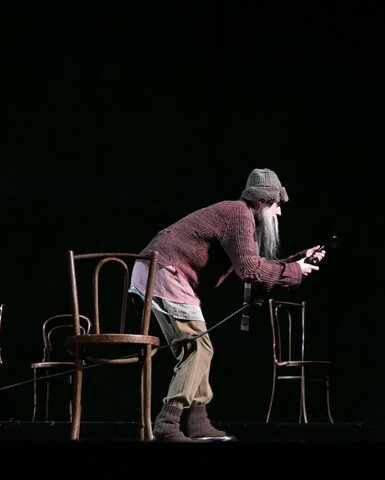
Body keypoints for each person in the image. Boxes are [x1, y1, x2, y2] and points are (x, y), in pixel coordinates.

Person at [130, 168, 325, 441]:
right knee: (198, 347)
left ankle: (197, 422)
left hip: (161, 269)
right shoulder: (238, 215)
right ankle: (167, 424)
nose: (279, 212)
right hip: (164, 270)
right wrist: (294, 270)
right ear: (260, 201)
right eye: (276, 205)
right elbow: (250, 270)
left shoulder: (239, 216)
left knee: (200, 348)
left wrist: (297, 261)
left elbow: (253, 264)